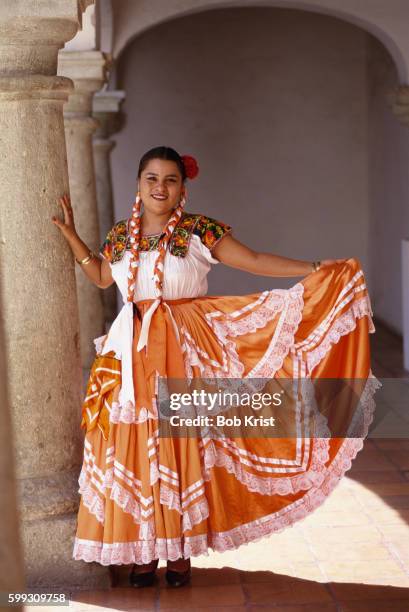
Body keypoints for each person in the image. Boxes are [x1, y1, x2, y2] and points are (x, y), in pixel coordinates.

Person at [52, 146, 380, 588]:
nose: (160, 187)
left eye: (170, 179)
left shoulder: (198, 231)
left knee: (183, 444)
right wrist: (72, 236)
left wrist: (318, 267)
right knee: (133, 444)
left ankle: (180, 552)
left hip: (186, 347)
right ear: (138, 183)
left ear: (182, 187)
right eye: (151, 178)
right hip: (127, 351)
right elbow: (101, 277)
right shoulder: (120, 234)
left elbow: (257, 261)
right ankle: (145, 553)